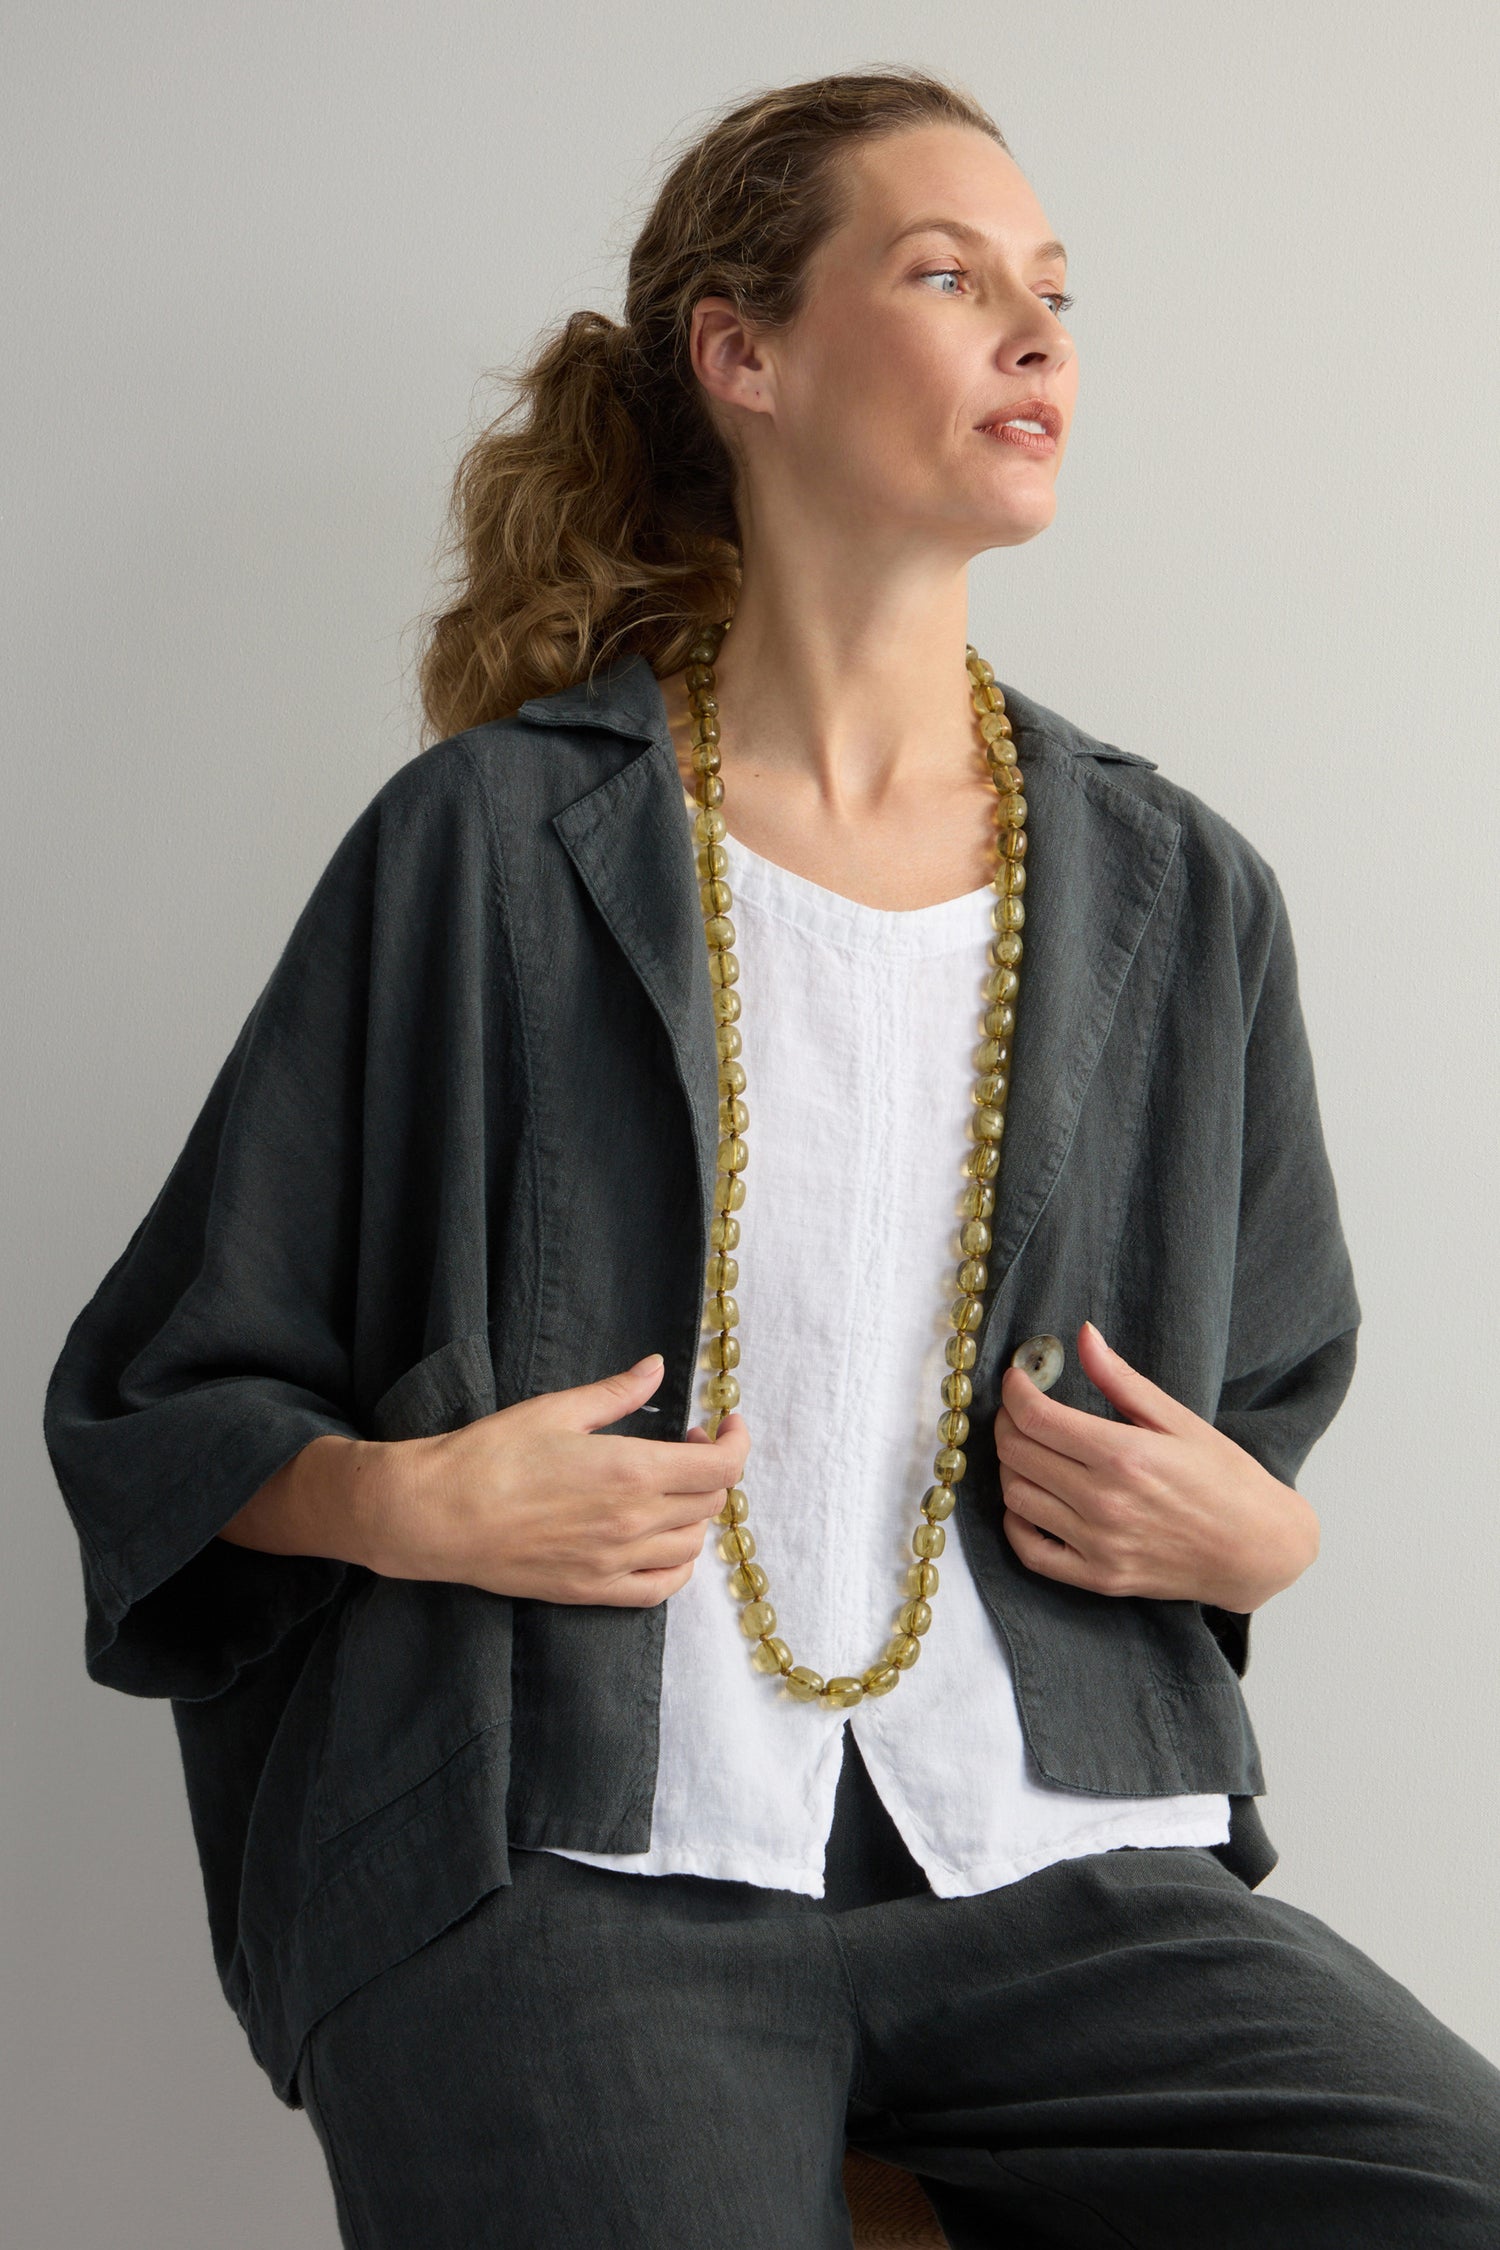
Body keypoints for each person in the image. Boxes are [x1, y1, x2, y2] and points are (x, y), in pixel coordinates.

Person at [43, 65, 1500, 2249]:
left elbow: (1261, 1406)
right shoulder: (486, 853)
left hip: (1057, 1868)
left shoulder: (1183, 896)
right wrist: (401, 1499)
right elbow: (157, 1394)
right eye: (946, 275)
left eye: (1056, 294)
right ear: (743, 354)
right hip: (564, 1866)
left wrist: (1258, 1541)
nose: (1035, 337)